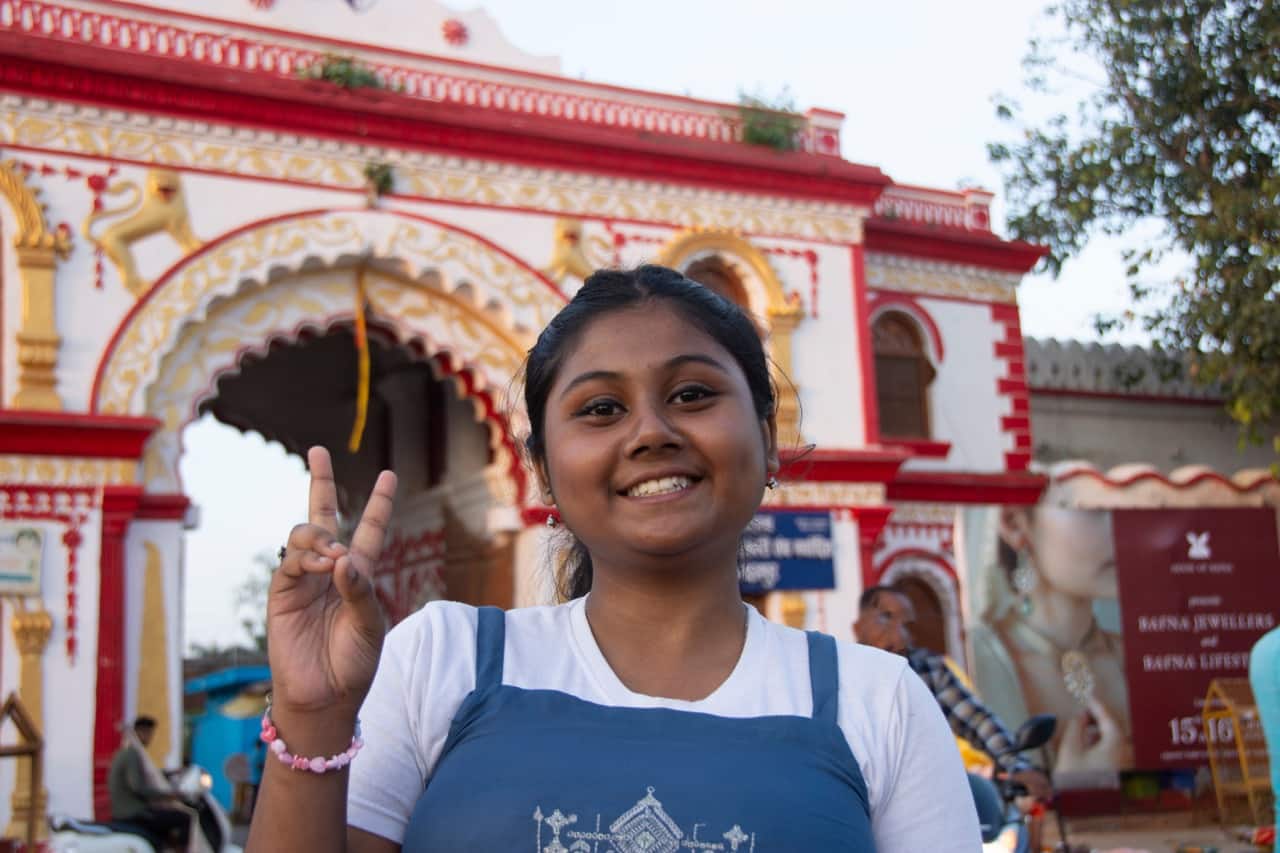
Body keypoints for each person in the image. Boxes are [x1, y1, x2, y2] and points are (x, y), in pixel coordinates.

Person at [247, 265, 980, 852]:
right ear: (542, 469)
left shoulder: (877, 702)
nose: (651, 432)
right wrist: (313, 714)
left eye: (693, 394)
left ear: (767, 441)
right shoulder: (444, 662)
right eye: (601, 408)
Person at [965, 505, 1132, 779]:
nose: (1121, 527)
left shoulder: (1146, 659)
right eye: (1095, 507)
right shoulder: (972, 660)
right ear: (1014, 522)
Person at [853, 585, 1053, 802]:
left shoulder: (928, 669)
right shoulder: (841, 673)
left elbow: (975, 720)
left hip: (922, 799)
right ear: (858, 627)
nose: (898, 633)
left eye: (905, 623)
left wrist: (1016, 765)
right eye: (886, 618)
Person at [106, 716, 191, 852]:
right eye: (149, 733)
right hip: (133, 813)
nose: (150, 738)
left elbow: (146, 777)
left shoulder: (125, 752)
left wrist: (168, 774)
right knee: (186, 818)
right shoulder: (132, 754)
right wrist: (170, 796)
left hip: (127, 811)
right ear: (140, 732)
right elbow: (138, 787)